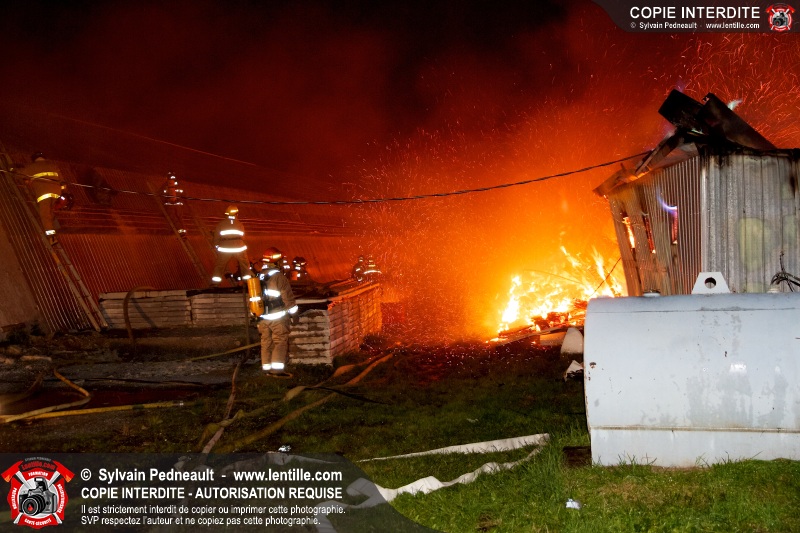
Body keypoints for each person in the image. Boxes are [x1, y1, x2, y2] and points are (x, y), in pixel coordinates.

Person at [257, 253, 298, 376]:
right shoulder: (279, 277)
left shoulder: (258, 276)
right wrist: (295, 315)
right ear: (276, 262)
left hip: (263, 317)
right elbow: (288, 299)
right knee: (279, 342)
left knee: (266, 343)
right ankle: (277, 371)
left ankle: (266, 370)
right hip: (278, 316)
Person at [23, 153, 66, 243]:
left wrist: (12, 169)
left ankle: (52, 238)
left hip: (43, 194)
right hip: (56, 194)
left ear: (34, 159)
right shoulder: (53, 166)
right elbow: (63, 183)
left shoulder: (31, 167)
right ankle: (53, 227)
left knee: (44, 214)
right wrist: (61, 192)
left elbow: (20, 176)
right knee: (50, 212)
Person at [211, 205, 253, 285]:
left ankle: (215, 284)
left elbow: (216, 238)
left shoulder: (221, 224)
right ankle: (248, 283)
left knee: (219, 266)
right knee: (245, 265)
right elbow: (243, 237)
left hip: (225, 249)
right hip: (239, 248)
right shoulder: (240, 224)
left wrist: (217, 247)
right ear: (237, 214)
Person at [161, 171, 186, 235]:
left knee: (174, 218)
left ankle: (180, 231)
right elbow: (182, 195)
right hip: (179, 205)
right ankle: (183, 232)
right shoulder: (178, 185)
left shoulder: (166, 186)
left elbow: (162, 195)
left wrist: (165, 202)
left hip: (170, 205)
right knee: (180, 218)